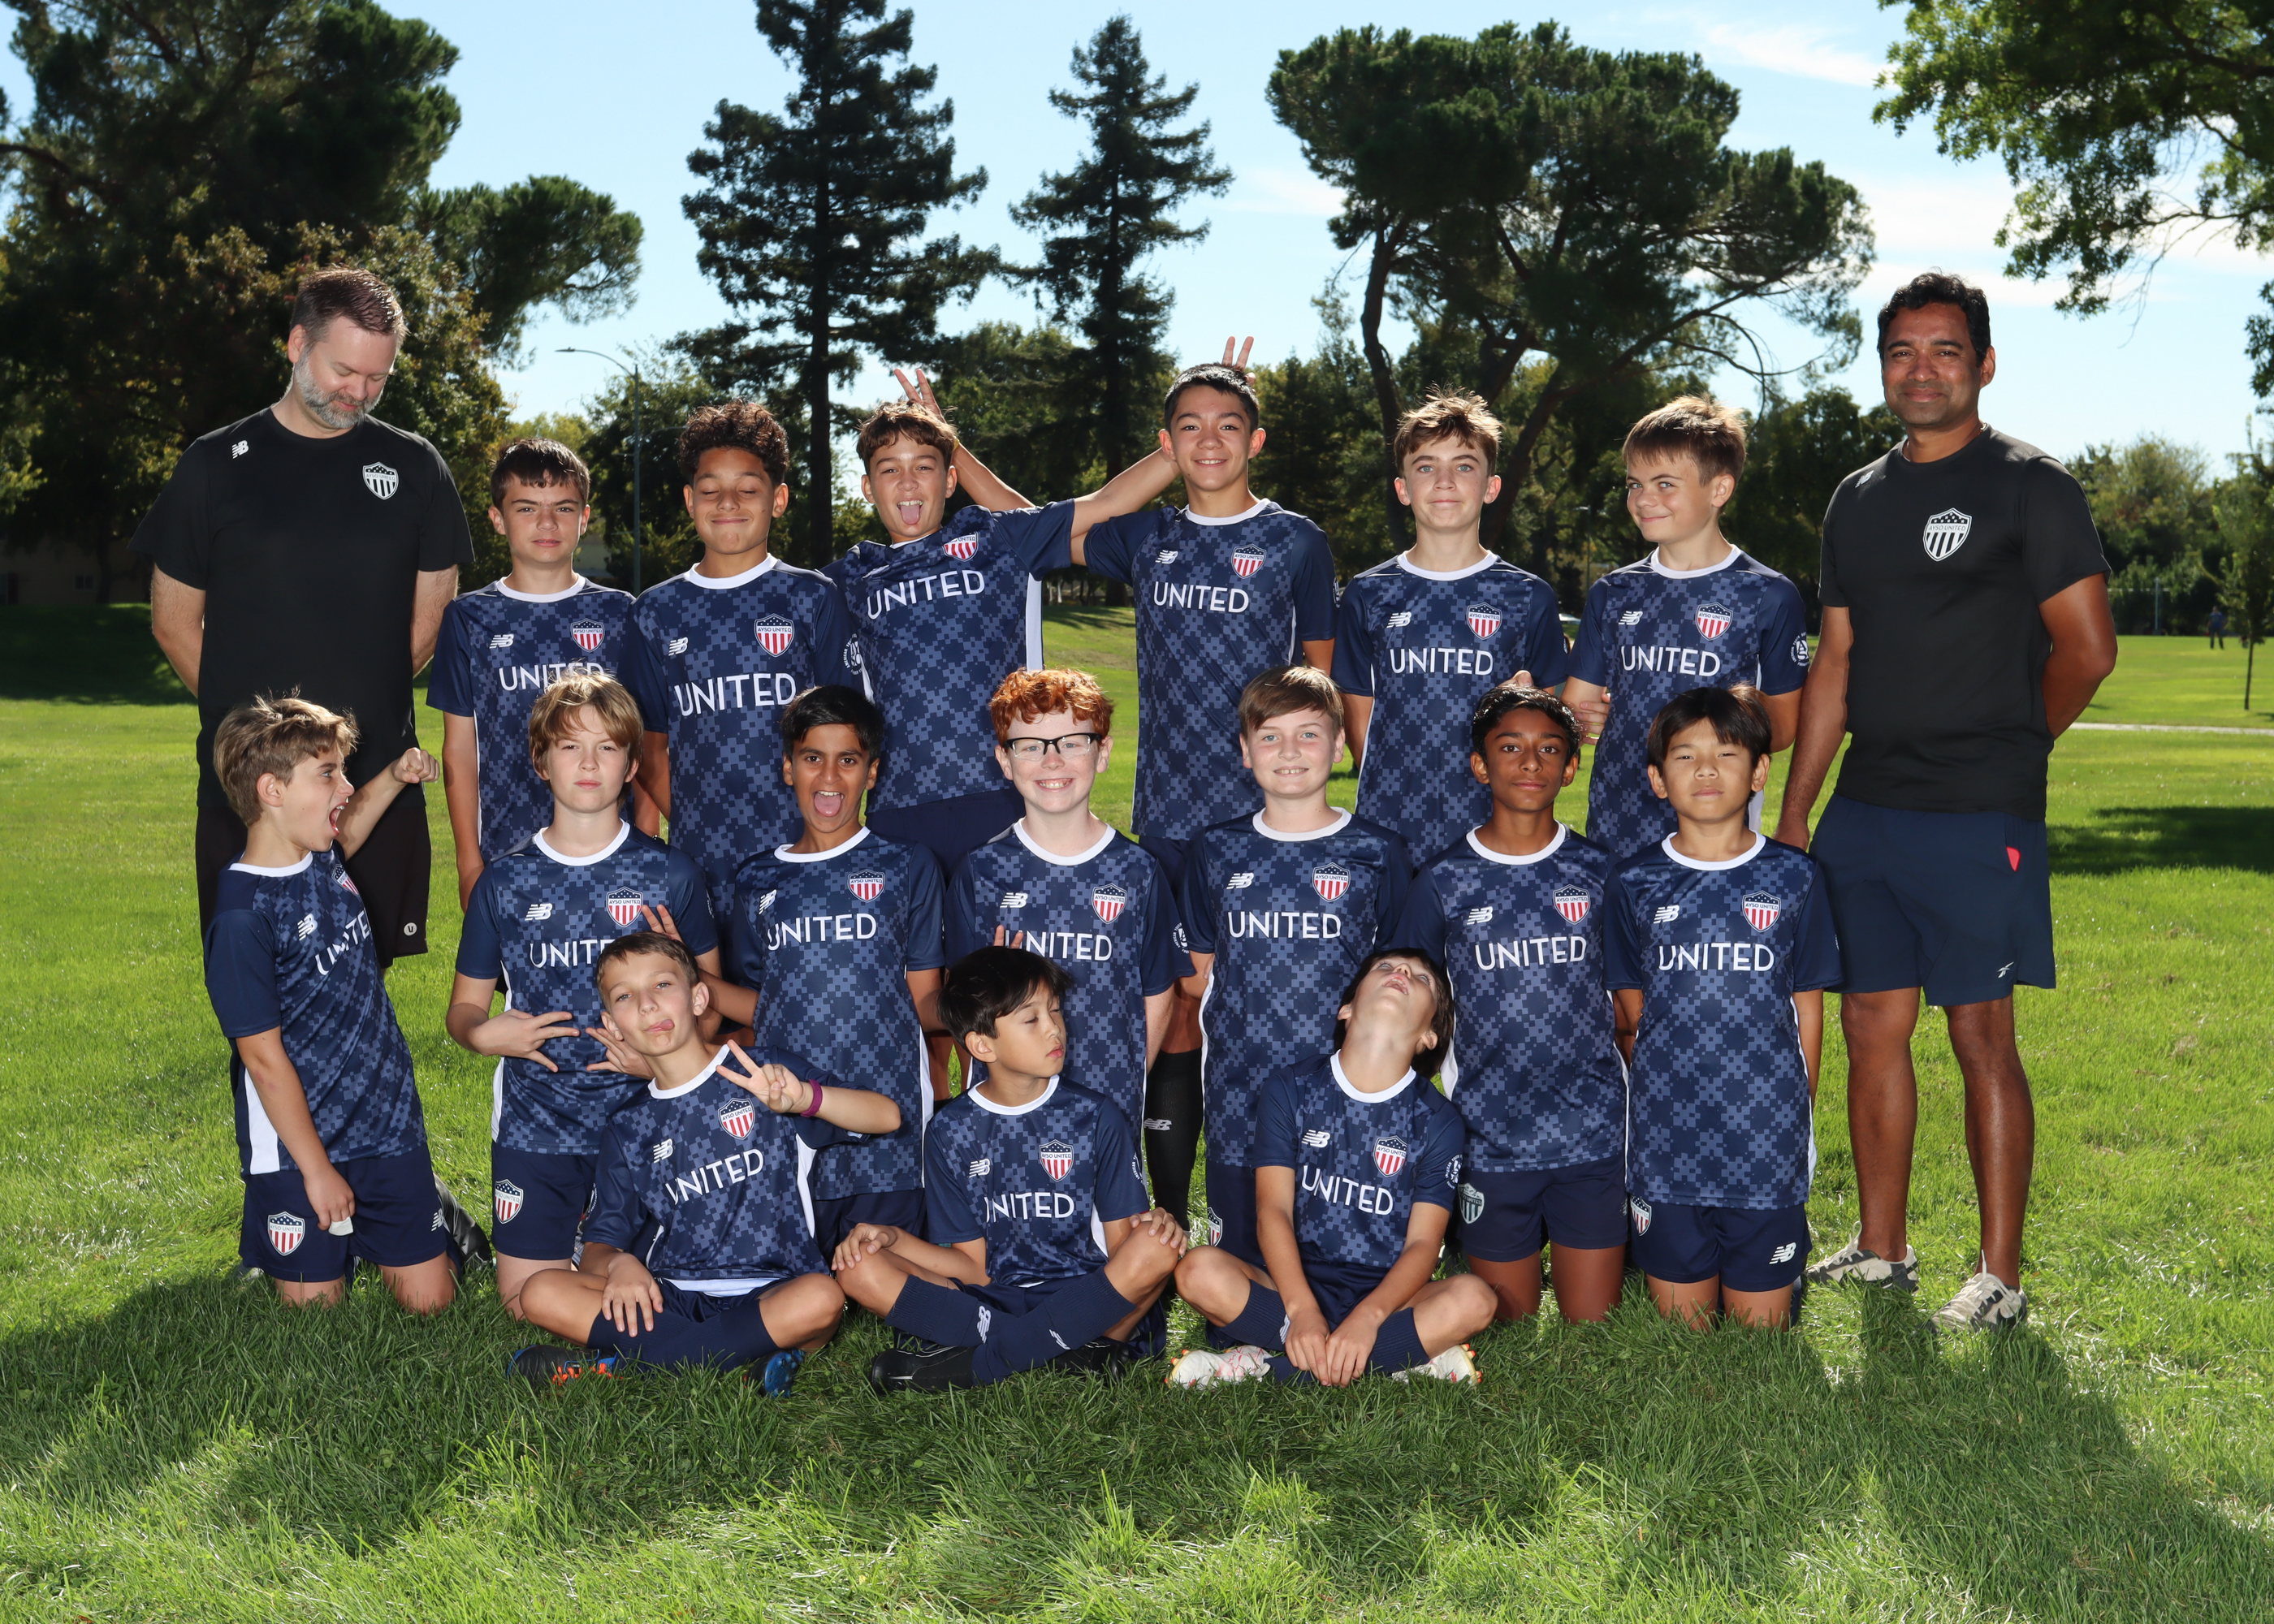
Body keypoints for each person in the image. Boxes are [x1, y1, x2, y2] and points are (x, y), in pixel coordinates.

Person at [1776, 273, 2116, 1332]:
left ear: (1984, 363)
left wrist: (2012, 745)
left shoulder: (2033, 488)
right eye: (1902, 351)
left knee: (1981, 1033)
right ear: (1883, 366)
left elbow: (2088, 650)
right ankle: (1883, 1247)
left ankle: (1999, 1273)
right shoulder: (1855, 499)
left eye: (1945, 350)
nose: (1922, 369)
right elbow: (1835, 661)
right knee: (1871, 1025)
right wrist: (1797, 811)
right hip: (1866, 811)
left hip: (1979, 815)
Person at [136, 265, 472, 965]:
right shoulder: (213, 465)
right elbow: (174, 623)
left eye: (378, 378)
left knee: (362, 988)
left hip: (375, 780)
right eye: (344, 370)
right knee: (256, 989)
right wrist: (263, 738)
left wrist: (343, 738)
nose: (359, 392)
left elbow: (432, 622)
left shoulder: (415, 467)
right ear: (296, 345)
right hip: (250, 792)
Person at [1074, 348, 1340, 1203]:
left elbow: (1322, 680)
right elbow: (1048, 525)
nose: (1210, 440)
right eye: (1188, 427)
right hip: (1169, 813)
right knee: (1179, 1004)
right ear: (1164, 443)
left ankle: (1306, 1192)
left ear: (1257, 440)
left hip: (1271, 818)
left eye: (1229, 424)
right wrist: (954, 451)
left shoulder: (1296, 541)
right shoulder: (1149, 536)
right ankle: (1168, 1208)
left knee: (1284, 1003)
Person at [445, 673, 720, 1318]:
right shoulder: (504, 882)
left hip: (648, 1116)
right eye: (570, 747)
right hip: (537, 1122)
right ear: (542, 761)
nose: (589, 764)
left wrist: (659, 1063)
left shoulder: (671, 873)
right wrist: (481, 1034)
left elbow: (712, 1008)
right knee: (523, 1304)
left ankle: (603, 1259)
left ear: (632, 764)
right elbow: (463, 1009)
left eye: (607, 748)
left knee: (678, 1287)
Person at [510, 932, 900, 1389]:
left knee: (821, 1298)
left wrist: (805, 1099)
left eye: (662, 985)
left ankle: (630, 1365)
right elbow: (599, 1246)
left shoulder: (762, 1072)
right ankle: (739, 1356)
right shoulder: (628, 1126)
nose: (647, 1005)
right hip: (669, 1296)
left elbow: (887, 1117)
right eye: (625, 996)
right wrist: (619, 1266)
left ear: (698, 998)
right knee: (541, 1291)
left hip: (776, 1288)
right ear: (612, 1025)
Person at [824, 380, 1176, 875]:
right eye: (890, 470)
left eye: (924, 467)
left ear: (950, 480)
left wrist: (1189, 444)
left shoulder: (997, 540)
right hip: (899, 805)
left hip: (1008, 792)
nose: (908, 483)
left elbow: (1108, 502)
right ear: (867, 487)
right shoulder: (846, 579)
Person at [835, 948, 1187, 1392]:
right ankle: (1072, 1355)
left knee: (1157, 1244)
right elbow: (973, 1268)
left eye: (1054, 1011)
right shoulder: (950, 1131)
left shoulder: (1097, 1116)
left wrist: (1152, 1229)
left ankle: (981, 1365)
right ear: (983, 1045)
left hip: (1087, 1297)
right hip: (995, 1302)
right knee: (858, 1268)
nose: (1054, 1027)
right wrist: (893, 1239)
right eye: (1031, 1019)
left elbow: (1123, 1250)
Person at [201, 694, 455, 1313]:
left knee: (431, 1306)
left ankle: (420, 1214)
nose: (345, 786)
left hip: (386, 1119)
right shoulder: (242, 916)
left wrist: (394, 776)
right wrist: (316, 1171)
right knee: (314, 1316)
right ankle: (287, 1227)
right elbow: (262, 1060)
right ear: (272, 791)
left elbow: (352, 825)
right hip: (298, 1145)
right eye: (328, 774)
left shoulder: (318, 853)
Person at [1605, 686, 1842, 1329]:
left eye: (1727, 753)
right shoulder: (1633, 883)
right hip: (1667, 1140)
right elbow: (1633, 1015)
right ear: (1658, 779)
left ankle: (1781, 1262)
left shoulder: (1796, 877)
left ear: (1760, 772)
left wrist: (1798, 1109)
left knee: (1759, 1334)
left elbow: (1808, 1006)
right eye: (1685, 756)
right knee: (1683, 1331)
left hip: (1765, 1136)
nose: (1706, 770)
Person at [1390, 685, 1627, 1323]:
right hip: (1490, 1138)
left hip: (1591, 1135)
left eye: (1549, 749)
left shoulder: (1602, 873)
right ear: (1480, 765)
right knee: (1507, 1324)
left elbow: (1631, 1010)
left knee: (1593, 1325)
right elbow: (1409, 1011)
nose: (1530, 762)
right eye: (1510, 747)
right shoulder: (1442, 880)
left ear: (1570, 768)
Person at [1168, 949, 1494, 1387]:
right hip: (1290, 1285)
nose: (1400, 972)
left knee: (1475, 1300)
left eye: (1422, 979)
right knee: (1197, 1271)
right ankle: (1397, 1359)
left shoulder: (1438, 1121)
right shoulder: (1291, 1088)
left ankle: (1264, 1368)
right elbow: (1273, 1212)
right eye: (1385, 967)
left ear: (1430, 1036)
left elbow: (1422, 1244)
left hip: (1388, 1297)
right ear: (1347, 1009)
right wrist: (1302, 1309)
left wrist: (1369, 1317)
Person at [1178, 666, 1410, 1267]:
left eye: (1308, 735)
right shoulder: (1216, 850)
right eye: (1270, 736)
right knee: (1239, 1266)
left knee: (1341, 1255)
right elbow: (1199, 972)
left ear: (1338, 746)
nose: (1289, 751)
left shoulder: (1377, 851)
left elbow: (1400, 978)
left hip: (1345, 1085)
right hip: (1240, 1086)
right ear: (1245, 750)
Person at [708, 685, 945, 1255]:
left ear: (873, 771)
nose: (830, 778)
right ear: (788, 768)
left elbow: (924, 1001)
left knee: (883, 1274)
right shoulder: (757, 879)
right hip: (792, 1127)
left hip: (889, 1129)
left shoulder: (907, 865)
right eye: (813, 758)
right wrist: (689, 979)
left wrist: (992, 1001)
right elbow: (763, 1004)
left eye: (849, 760)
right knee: (802, 1282)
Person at [945, 669, 1188, 1205]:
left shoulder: (1139, 872)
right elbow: (964, 1008)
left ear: (1102, 753)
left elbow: (1157, 993)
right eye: (1031, 746)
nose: (1052, 761)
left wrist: (1125, 1079)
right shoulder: (981, 874)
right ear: (1005, 760)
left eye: (1072, 742)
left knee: (1110, 1240)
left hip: (1108, 1105)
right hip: (1009, 1109)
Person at [620, 402, 861, 921]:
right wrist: (697, 823)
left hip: (805, 850)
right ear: (690, 500)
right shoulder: (654, 612)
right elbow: (649, 746)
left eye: (748, 489)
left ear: (779, 499)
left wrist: (824, 828)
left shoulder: (813, 598)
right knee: (710, 975)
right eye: (710, 490)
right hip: (702, 860)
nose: (728, 502)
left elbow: (848, 739)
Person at [1562, 396, 1809, 860]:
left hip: (1715, 836)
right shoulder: (1614, 592)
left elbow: (1782, 730)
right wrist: (1582, 718)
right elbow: (1578, 709)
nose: (1643, 499)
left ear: (1719, 490)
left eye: (1665, 484)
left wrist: (1696, 723)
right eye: (1634, 484)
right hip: (1616, 827)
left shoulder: (1767, 595)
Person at [1334, 393, 1571, 862]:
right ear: (1403, 488)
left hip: (1498, 833)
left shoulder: (1528, 596)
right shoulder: (1369, 592)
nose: (1444, 481)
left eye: (1464, 466)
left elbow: (1546, 730)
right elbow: (1361, 721)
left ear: (1491, 486)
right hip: (1390, 830)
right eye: (1425, 467)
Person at [429, 438, 645, 908]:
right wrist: (469, 862)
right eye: (527, 508)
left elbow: (643, 739)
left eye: (563, 508)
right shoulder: (469, 618)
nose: (547, 523)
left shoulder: (621, 614)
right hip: (508, 848)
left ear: (584, 518)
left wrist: (646, 842)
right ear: (497, 518)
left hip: (611, 848)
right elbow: (460, 750)